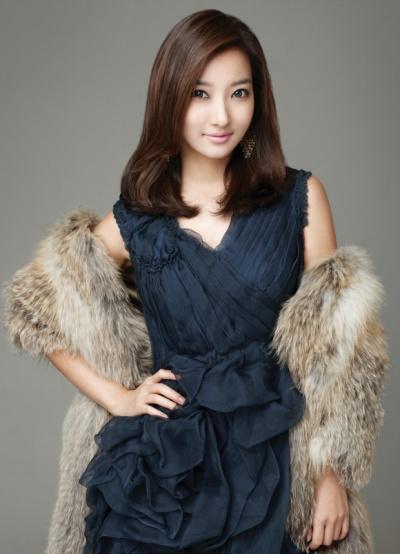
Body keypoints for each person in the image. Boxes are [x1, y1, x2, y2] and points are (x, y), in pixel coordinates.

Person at [2, 9, 389, 554]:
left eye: (239, 93)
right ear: (171, 99)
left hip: (277, 455)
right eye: (200, 94)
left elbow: (338, 353)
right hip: (168, 465)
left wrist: (331, 477)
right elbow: (32, 310)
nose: (222, 115)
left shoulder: (300, 198)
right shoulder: (137, 220)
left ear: (258, 101)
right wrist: (118, 397)